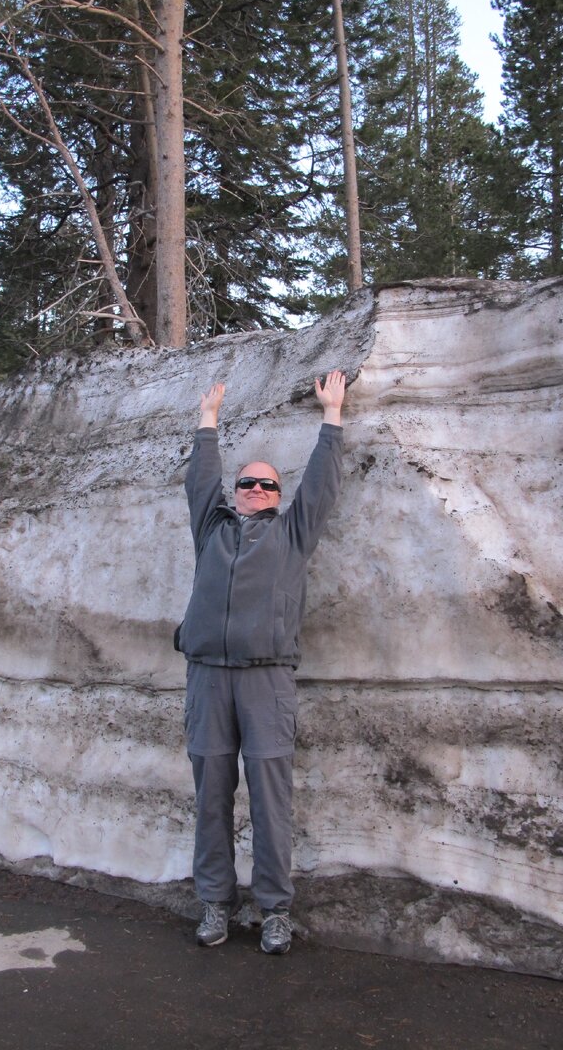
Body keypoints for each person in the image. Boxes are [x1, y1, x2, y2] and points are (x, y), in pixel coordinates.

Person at [176, 371, 346, 954]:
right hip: (207, 679)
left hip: (267, 680)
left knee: (271, 799)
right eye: (245, 482)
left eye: (266, 484)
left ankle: (274, 909)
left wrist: (332, 417)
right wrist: (207, 425)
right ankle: (216, 904)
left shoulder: (292, 534)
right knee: (212, 796)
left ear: (278, 495)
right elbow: (200, 482)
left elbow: (321, 487)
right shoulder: (213, 530)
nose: (253, 488)